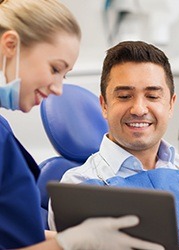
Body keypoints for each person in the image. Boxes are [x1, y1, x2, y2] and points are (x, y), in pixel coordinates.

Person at [50, 40, 179, 249]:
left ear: (171, 104)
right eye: (124, 96)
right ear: (104, 105)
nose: (138, 109)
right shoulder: (78, 187)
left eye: (152, 96)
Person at [0, 1, 165, 250]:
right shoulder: (79, 180)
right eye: (54, 68)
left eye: (63, 75)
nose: (57, 88)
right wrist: (66, 244)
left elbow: (14, 234)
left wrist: (71, 239)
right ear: (10, 45)